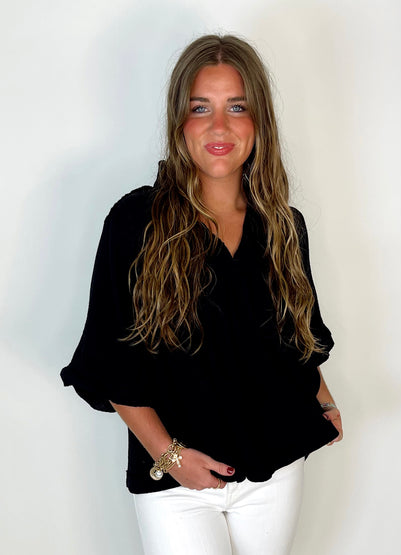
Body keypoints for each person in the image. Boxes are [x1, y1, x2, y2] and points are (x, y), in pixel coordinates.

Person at [61, 34, 343, 555]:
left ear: (259, 122)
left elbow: (297, 336)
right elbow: (109, 360)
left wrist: (322, 399)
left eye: (237, 107)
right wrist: (170, 457)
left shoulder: (284, 225)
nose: (219, 126)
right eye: (200, 108)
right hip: (176, 482)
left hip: (275, 468)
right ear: (179, 122)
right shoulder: (136, 222)